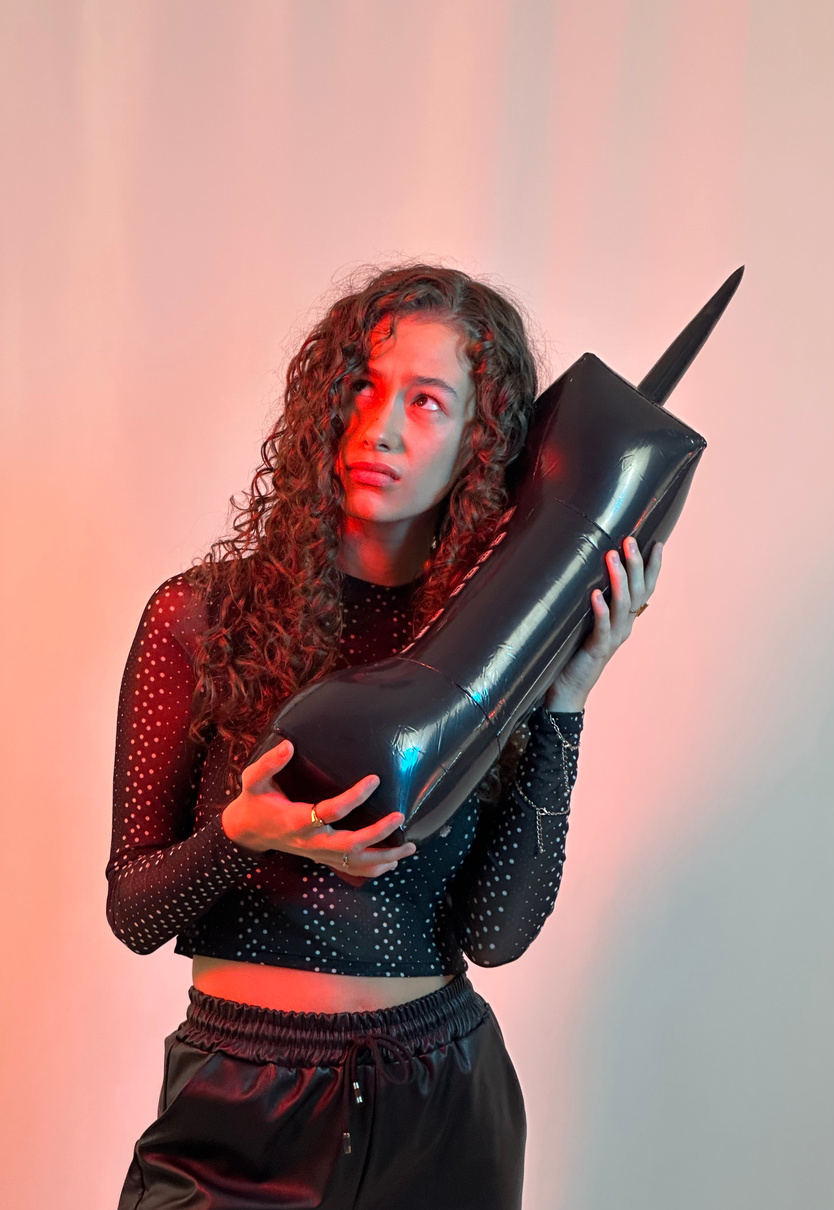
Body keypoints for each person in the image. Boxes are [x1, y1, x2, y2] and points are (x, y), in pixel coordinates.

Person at [108, 264, 662, 1210]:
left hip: (442, 1108)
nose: (381, 428)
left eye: (427, 401)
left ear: (484, 443)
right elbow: (134, 911)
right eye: (362, 386)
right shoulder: (201, 618)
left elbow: (496, 937)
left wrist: (564, 698)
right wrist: (242, 836)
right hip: (240, 1116)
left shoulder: (486, 657)